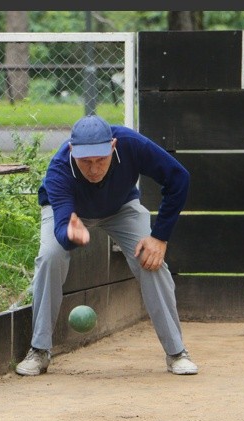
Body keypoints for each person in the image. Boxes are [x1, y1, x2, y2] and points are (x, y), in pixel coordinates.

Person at [15, 114, 198, 376]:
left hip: (121, 208)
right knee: (50, 256)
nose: (93, 169)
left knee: (151, 262)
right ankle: (39, 350)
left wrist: (160, 237)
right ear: (71, 151)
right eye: (85, 161)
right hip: (71, 215)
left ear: (113, 146)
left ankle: (176, 352)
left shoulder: (131, 144)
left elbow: (179, 178)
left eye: (101, 160)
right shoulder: (59, 169)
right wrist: (70, 235)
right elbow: (61, 227)